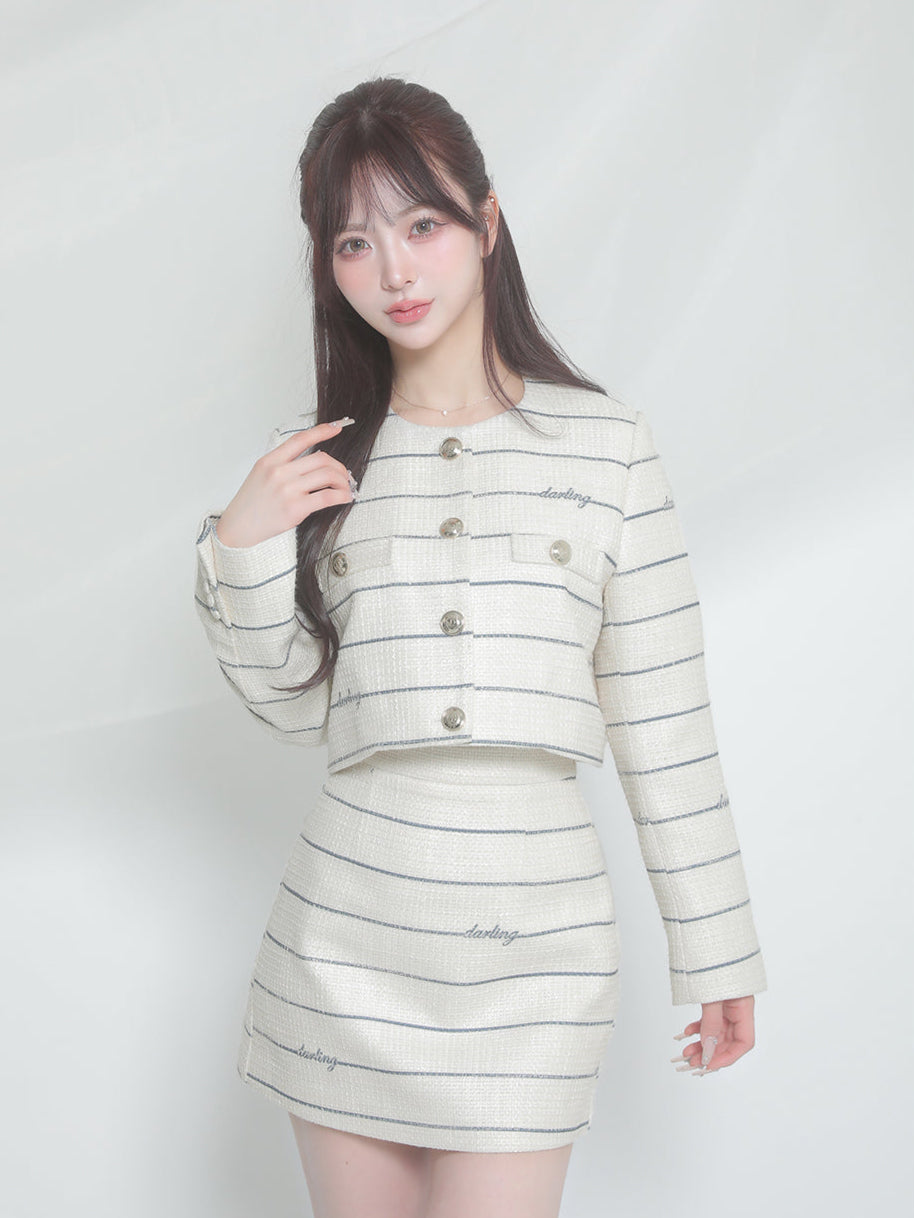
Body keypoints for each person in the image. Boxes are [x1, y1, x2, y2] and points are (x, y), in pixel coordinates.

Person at [193, 76, 767, 1218]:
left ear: (487, 221)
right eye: (353, 242)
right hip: (346, 946)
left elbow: (664, 722)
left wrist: (717, 952)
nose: (394, 272)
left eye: (422, 225)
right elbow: (294, 710)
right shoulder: (312, 466)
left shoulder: (608, 446)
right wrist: (240, 548)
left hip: (535, 961)